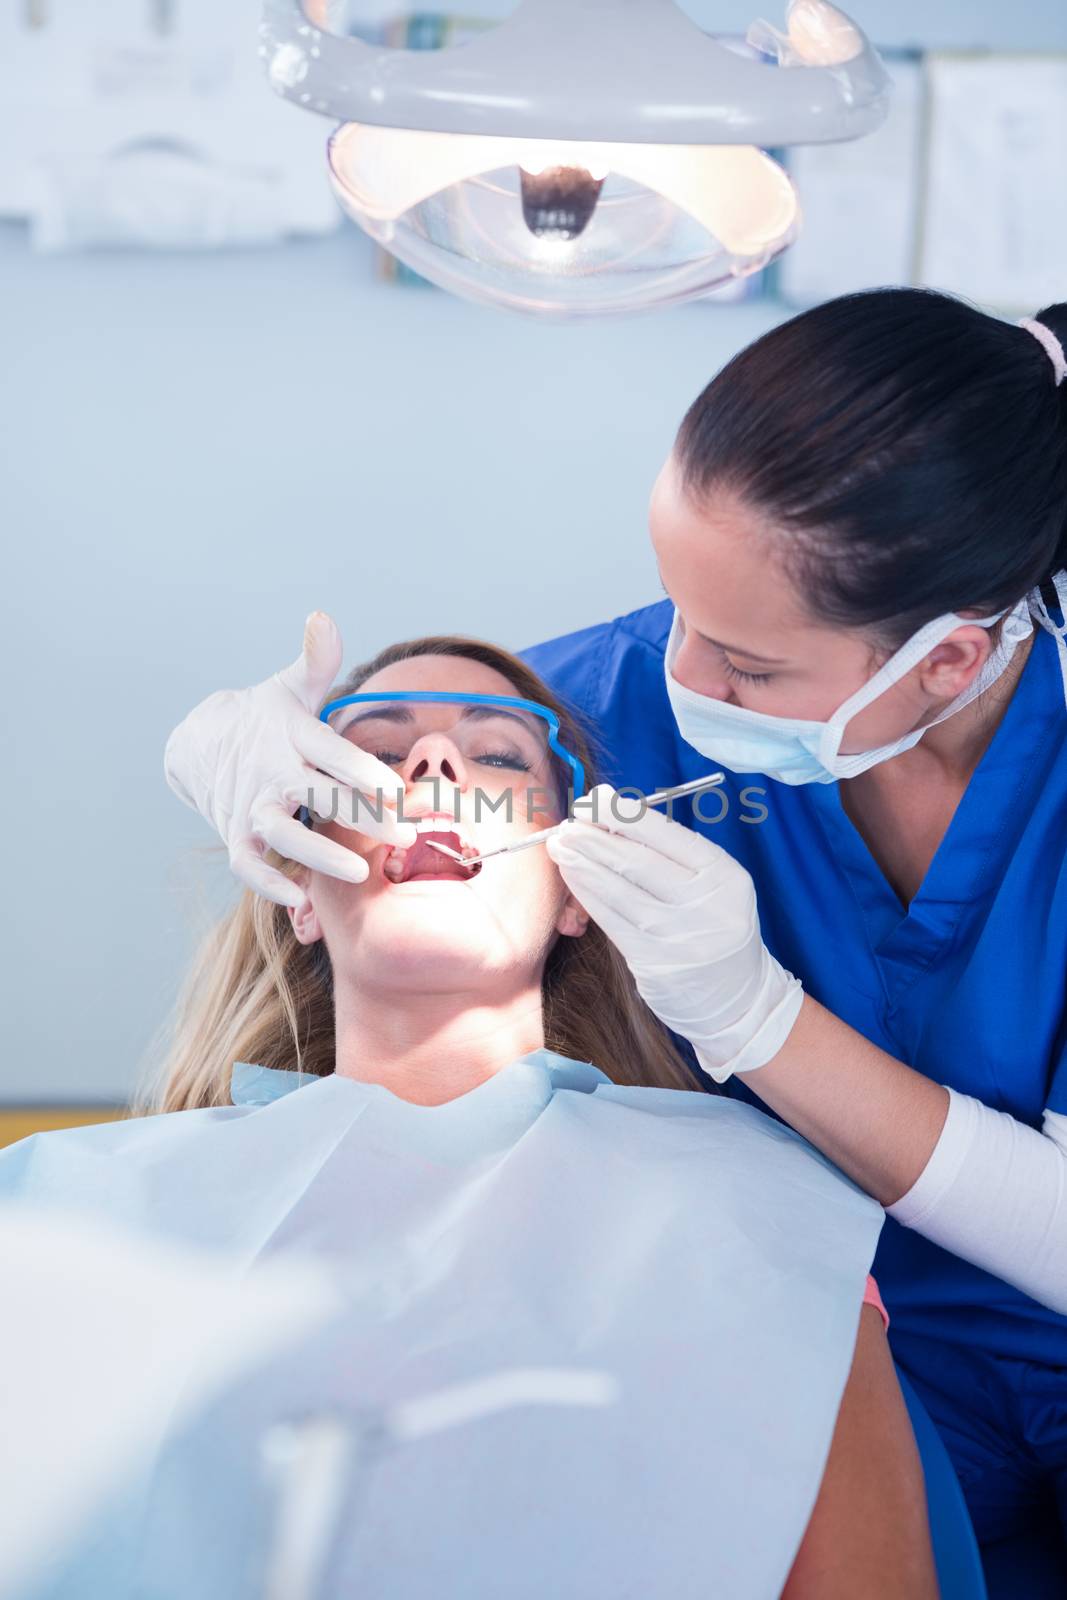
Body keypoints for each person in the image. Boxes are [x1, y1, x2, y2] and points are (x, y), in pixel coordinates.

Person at [162, 287, 1067, 1593]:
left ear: (947, 656)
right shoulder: (594, 716)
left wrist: (760, 1023)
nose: (676, 681)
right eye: (670, 607)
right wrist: (215, 752)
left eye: (748, 670)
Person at [4, 637, 932, 1600]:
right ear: (299, 896)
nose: (433, 769)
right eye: (369, 757)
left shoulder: (765, 1215)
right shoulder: (66, 1206)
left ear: (576, 892)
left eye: (496, 756)